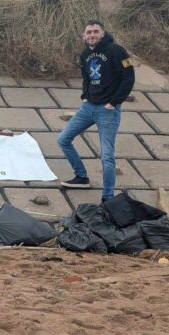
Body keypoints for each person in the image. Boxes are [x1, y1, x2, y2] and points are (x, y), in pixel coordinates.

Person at [56, 20, 135, 201]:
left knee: (107, 155)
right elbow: (86, 77)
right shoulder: (85, 54)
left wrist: (113, 103)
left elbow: (128, 78)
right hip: (89, 107)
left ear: (102, 33)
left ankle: (107, 197)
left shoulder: (116, 51)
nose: (92, 35)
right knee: (63, 139)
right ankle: (81, 177)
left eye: (95, 31)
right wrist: (84, 96)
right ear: (84, 36)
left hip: (108, 110)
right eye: (88, 32)